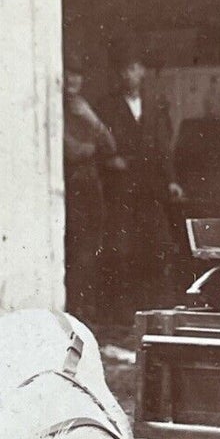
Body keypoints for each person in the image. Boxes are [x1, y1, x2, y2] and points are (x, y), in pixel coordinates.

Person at [93, 44, 186, 319]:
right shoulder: (106, 106)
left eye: (135, 68)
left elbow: (163, 146)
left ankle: (158, 311)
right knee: (123, 250)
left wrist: (171, 180)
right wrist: (110, 162)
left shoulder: (155, 102)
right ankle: (124, 314)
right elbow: (98, 144)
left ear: (141, 71)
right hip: (120, 188)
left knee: (158, 246)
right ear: (119, 74)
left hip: (151, 187)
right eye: (126, 70)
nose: (131, 74)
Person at [62, 58, 121, 322]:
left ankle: (88, 311)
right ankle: (74, 309)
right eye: (68, 75)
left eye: (78, 76)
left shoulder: (84, 109)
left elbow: (110, 146)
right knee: (75, 249)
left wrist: (89, 116)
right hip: (71, 186)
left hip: (90, 186)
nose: (73, 81)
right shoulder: (56, 109)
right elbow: (72, 151)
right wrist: (91, 148)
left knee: (91, 246)